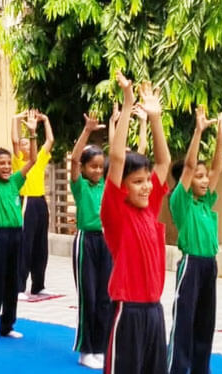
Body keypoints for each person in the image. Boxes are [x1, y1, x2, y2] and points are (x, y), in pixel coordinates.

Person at [102, 76, 172, 374]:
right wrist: (129, 105)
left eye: (147, 181)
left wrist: (155, 119)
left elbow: (164, 161)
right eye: (137, 182)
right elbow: (117, 158)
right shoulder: (116, 212)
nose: (146, 187)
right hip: (127, 312)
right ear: (124, 186)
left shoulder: (151, 207)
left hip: (154, 311)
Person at [167, 106, 222, 374]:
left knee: (205, 322)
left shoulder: (206, 202)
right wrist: (199, 131)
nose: (204, 180)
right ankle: (176, 369)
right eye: (198, 177)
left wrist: (221, 135)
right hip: (190, 266)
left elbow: (218, 168)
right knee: (184, 322)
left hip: (209, 266)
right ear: (185, 182)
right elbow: (189, 166)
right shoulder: (181, 202)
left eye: (205, 177)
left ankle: (201, 369)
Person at [0, 111, 37, 342]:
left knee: (13, 282)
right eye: (1, 163)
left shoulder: (15, 181)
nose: (6, 166)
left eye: (8, 163)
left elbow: (31, 160)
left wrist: (31, 133)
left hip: (17, 236)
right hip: (0, 236)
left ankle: (8, 324)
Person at [69, 115, 112, 369]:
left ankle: (101, 346)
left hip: (106, 242)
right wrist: (86, 131)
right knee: (90, 297)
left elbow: (119, 157)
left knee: (105, 297)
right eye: (92, 166)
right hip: (86, 242)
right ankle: (86, 350)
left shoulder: (106, 185)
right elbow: (74, 159)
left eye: (100, 166)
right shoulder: (80, 186)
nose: (97, 170)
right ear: (84, 169)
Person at [9, 113, 53, 301]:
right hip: (26, 201)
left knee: (40, 245)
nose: (25, 145)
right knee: (25, 245)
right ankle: (19, 287)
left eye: (28, 142)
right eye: (23, 143)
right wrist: (17, 118)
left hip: (40, 202)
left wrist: (46, 121)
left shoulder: (40, 158)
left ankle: (38, 285)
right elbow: (13, 138)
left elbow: (50, 139)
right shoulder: (19, 159)